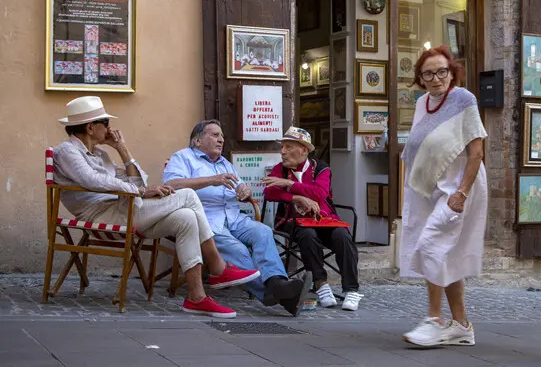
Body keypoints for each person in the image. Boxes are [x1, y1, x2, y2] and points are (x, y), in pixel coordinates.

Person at [52, 96, 260, 319]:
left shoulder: (101, 154)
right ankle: (217, 266)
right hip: (99, 216)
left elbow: (137, 183)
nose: (110, 129)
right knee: (188, 195)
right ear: (91, 127)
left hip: (123, 209)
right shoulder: (66, 151)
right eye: (106, 123)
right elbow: (92, 180)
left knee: (187, 217)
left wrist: (122, 149)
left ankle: (196, 298)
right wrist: (141, 192)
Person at [163, 120, 312, 317]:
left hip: (234, 217)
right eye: (215, 135)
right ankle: (275, 293)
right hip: (205, 219)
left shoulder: (224, 163)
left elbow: (240, 187)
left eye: (222, 136)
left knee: (263, 232)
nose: (221, 139)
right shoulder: (183, 157)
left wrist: (244, 189)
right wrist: (211, 180)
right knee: (238, 249)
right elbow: (172, 184)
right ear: (197, 141)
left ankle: (277, 282)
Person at [400, 46, 488, 347]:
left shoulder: (464, 99)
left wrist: (463, 192)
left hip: (458, 186)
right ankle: (462, 326)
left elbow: (476, 152)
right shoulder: (422, 103)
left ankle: (435, 319)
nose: (436, 78)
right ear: (420, 78)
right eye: (428, 73)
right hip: (431, 188)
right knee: (444, 255)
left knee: (431, 245)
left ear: (452, 72)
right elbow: (419, 149)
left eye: (441, 72)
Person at [262, 127, 363, 311]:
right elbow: (269, 191)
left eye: (289, 147)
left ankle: (351, 289)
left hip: (324, 220)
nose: (283, 152)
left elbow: (320, 193)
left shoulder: (321, 168)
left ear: (304, 150)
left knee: (342, 235)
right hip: (292, 222)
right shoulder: (280, 169)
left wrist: (290, 185)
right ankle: (321, 284)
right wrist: (297, 197)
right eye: (282, 147)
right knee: (307, 235)